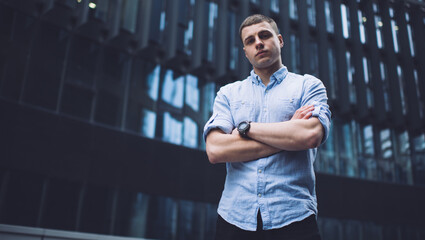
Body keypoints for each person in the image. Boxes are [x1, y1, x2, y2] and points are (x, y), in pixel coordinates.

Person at [203, 14, 331, 240]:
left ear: (280, 40)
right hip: (234, 219)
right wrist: (289, 133)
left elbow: (310, 135)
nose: (258, 43)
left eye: (264, 35)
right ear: (245, 51)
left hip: (294, 217)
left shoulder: (308, 86)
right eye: (250, 40)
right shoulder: (228, 94)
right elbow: (215, 150)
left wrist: (246, 128)